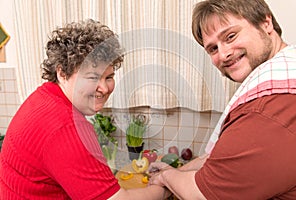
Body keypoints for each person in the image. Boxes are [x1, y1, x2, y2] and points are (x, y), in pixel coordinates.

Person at [0, 19, 169, 200]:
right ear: (62, 73)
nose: (104, 88)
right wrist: (165, 187)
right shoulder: (66, 127)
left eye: (109, 77)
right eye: (92, 77)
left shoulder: (45, 96)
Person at [148, 0, 296, 199]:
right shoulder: (287, 69)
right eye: (212, 49)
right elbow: (223, 160)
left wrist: (167, 177)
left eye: (230, 36)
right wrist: (181, 172)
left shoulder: (267, 111)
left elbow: (202, 194)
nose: (224, 54)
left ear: (266, 23)